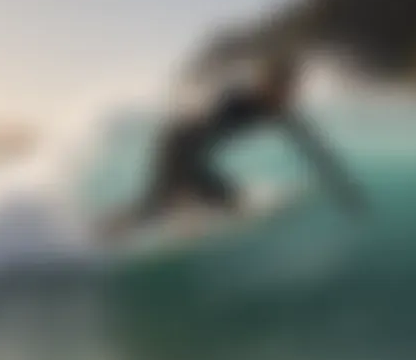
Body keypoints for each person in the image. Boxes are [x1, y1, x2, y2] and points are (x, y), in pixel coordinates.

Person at [98, 57, 366, 239]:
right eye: (283, 88)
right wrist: (187, 186)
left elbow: (314, 150)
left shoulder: (280, 111)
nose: (289, 95)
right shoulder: (235, 100)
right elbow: (194, 129)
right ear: (266, 84)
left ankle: (110, 228)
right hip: (177, 144)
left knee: (212, 201)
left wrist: (345, 190)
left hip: (189, 149)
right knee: (162, 205)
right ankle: (101, 235)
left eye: (292, 90)